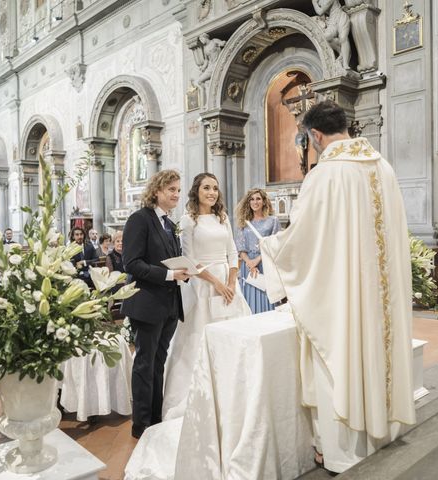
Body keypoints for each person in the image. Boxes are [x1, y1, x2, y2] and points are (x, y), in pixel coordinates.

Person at [260, 101, 416, 473]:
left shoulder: (325, 175)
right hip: (382, 298)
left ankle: (342, 452)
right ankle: (381, 432)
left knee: (338, 360)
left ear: (315, 135)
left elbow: (301, 239)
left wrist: (270, 248)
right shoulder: (384, 167)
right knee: (379, 356)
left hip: (343, 298)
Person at [162, 172, 251, 420]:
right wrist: (216, 283)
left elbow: (232, 252)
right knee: (199, 338)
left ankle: (232, 388)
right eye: (206, 188)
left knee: (232, 333)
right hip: (203, 285)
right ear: (196, 192)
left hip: (229, 284)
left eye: (215, 188)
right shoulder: (188, 221)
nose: (212, 192)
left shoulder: (222, 218)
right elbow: (190, 261)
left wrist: (231, 281)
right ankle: (199, 391)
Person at [121, 169, 189, 439]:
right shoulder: (140, 220)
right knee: (144, 364)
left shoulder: (170, 225)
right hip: (146, 304)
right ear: (157, 191)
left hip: (170, 304)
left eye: (178, 190)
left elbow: (171, 259)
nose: (176, 195)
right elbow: (132, 263)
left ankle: (156, 418)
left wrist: (184, 271)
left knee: (159, 362)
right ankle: (141, 424)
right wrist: (170, 275)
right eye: (171, 189)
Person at [234, 188, 281, 313]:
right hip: (248, 266)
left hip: (266, 262)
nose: (255, 202)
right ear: (248, 202)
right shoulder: (243, 223)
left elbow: (276, 244)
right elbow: (240, 247)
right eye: (252, 199)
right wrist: (249, 262)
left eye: (258, 199)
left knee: (267, 296)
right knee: (249, 297)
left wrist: (258, 259)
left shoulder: (273, 221)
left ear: (264, 201)